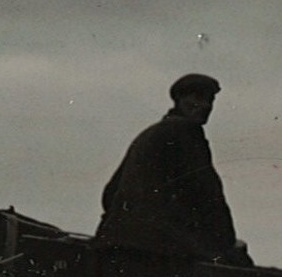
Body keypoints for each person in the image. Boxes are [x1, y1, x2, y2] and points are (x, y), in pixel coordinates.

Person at [97, 73, 250, 263]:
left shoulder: (150, 134)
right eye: (197, 98)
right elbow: (208, 193)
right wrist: (225, 244)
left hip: (115, 243)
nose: (206, 106)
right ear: (179, 100)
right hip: (158, 249)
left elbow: (110, 193)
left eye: (209, 100)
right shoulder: (186, 133)